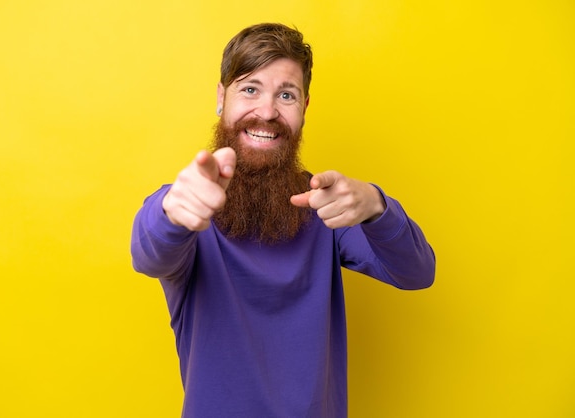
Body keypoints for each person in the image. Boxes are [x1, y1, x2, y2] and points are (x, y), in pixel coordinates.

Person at [131, 22, 435, 418]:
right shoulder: (190, 204)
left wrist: (377, 205)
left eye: (286, 95)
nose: (267, 112)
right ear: (222, 97)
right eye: (250, 89)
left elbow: (417, 272)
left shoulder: (327, 206)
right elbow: (149, 255)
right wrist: (173, 210)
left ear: (304, 108)